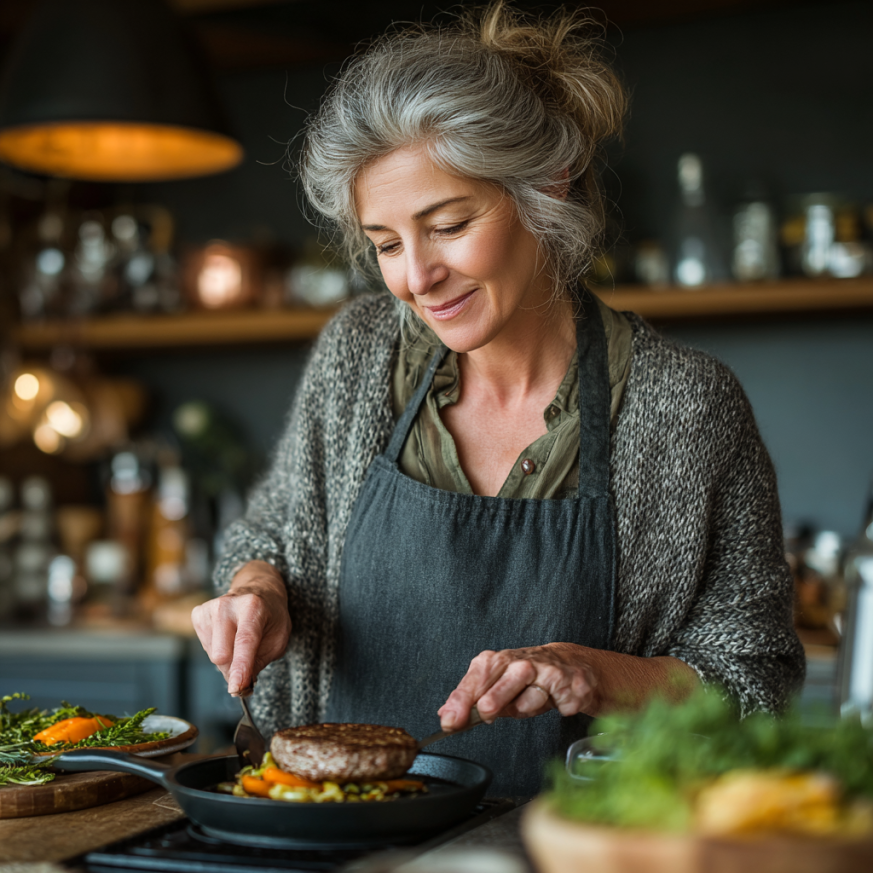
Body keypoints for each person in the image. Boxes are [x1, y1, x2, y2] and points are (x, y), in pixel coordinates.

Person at [192, 1, 804, 797]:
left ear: (545, 186)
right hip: (332, 834)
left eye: (448, 225)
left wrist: (595, 674)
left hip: (578, 843)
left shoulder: (685, 408)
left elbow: (754, 680)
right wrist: (256, 592)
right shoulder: (359, 355)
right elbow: (273, 534)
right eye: (385, 243)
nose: (416, 277)